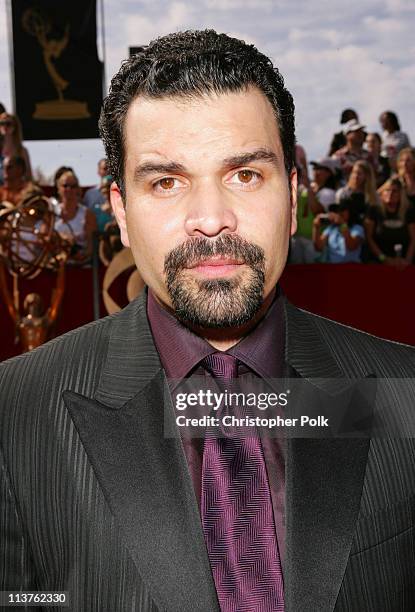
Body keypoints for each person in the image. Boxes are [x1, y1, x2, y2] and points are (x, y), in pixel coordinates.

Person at [1, 30, 415, 612]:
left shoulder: (404, 392)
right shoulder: (15, 409)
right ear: (119, 209)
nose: (210, 219)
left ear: (293, 196)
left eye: (244, 174)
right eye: (166, 182)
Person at [364, 177, 415, 266]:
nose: (390, 193)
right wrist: (384, 259)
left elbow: (413, 238)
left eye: (395, 191)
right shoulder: (374, 210)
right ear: (382, 193)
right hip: (378, 260)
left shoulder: (409, 211)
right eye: (387, 190)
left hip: (403, 261)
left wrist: (408, 260)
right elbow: (369, 238)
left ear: (400, 194)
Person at [54, 170, 97, 264]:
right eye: (65, 186)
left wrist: (78, 255)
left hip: (79, 266)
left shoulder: (88, 214)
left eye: (73, 186)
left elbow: (90, 248)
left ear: (77, 189)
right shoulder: (52, 212)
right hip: (56, 265)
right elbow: (45, 238)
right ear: (58, 189)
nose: (69, 189)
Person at [0, 112, 32, 180]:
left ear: (15, 127)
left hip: (16, 187)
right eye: (1, 123)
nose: (4, 126)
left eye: (8, 124)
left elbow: (28, 175)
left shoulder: (22, 150)